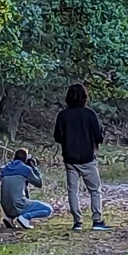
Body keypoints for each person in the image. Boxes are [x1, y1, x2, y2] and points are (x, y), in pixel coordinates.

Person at [53, 83, 110, 231]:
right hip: (87, 158)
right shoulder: (89, 114)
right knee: (95, 190)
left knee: (73, 190)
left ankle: (77, 221)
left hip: (70, 158)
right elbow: (98, 135)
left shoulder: (63, 115)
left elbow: (57, 137)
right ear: (85, 97)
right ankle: (97, 220)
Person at [0, 148, 52, 229]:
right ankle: (25, 217)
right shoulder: (26, 169)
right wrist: (34, 167)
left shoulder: (4, 169)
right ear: (26, 159)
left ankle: (10, 219)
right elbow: (39, 183)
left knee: (18, 195)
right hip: (19, 204)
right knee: (48, 209)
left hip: (6, 207)